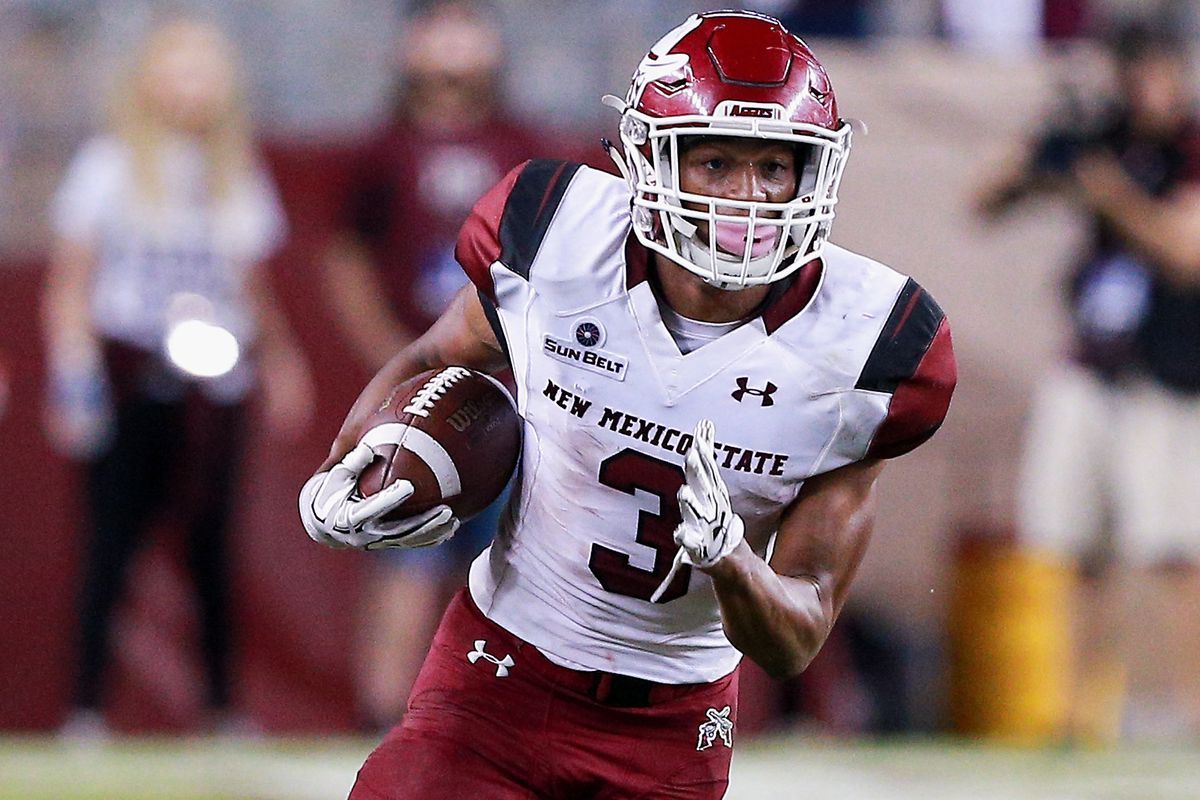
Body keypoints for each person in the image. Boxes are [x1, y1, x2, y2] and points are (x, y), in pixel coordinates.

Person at [301, 11, 955, 797]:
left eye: (775, 169)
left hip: (672, 723)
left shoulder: (872, 349)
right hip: (499, 673)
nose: (746, 200)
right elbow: (438, 355)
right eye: (715, 162)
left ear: (814, 174)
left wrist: (733, 562)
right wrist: (346, 466)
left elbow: (796, 637)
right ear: (649, 160)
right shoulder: (559, 238)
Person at [44, 16, 313, 736]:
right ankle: (87, 708)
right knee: (110, 542)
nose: (192, 85)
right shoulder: (108, 165)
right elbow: (72, 280)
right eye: (179, 67)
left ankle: (223, 705)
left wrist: (281, 360)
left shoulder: (235, 172)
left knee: (212, 544)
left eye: (205, 69)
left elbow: (252, 282)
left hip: (211, 380)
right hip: (130, 365)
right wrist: (72, 378)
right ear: (149, 79)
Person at [321, 0, 548, 731]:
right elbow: (345, 259)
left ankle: (512, 713)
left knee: (520, 560)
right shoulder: (383, 151)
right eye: (438, 26)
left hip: (514, 390)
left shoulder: (526, 147)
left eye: (467, 25)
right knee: (405, 554)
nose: (453, 44)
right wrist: (392, 358)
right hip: (418, 391)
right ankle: (379, 710)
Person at [977, 20, 1200, 740]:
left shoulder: (1189, 147)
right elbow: (986, 201)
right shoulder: (1103, 133)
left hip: (1167, 371)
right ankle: (1075, 718)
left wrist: (1108, 192)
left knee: (1173, 553)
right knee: (1074, 548)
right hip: (1090, 363)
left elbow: (1184, 252)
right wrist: (1044, 147)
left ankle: (1187, 714)